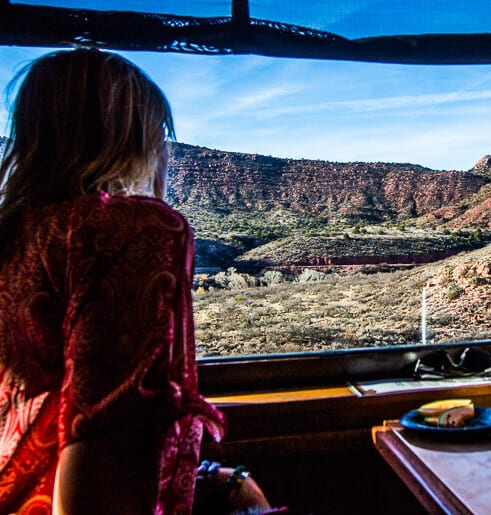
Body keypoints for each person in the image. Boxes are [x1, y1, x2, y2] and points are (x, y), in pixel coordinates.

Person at [0, 48, 284, 514]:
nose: (165, 149)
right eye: (158, 132)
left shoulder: (19, 234)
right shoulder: (130, 231)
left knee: (238, 489)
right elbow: (106, 434)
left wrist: (213, 478)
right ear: (128, 140)